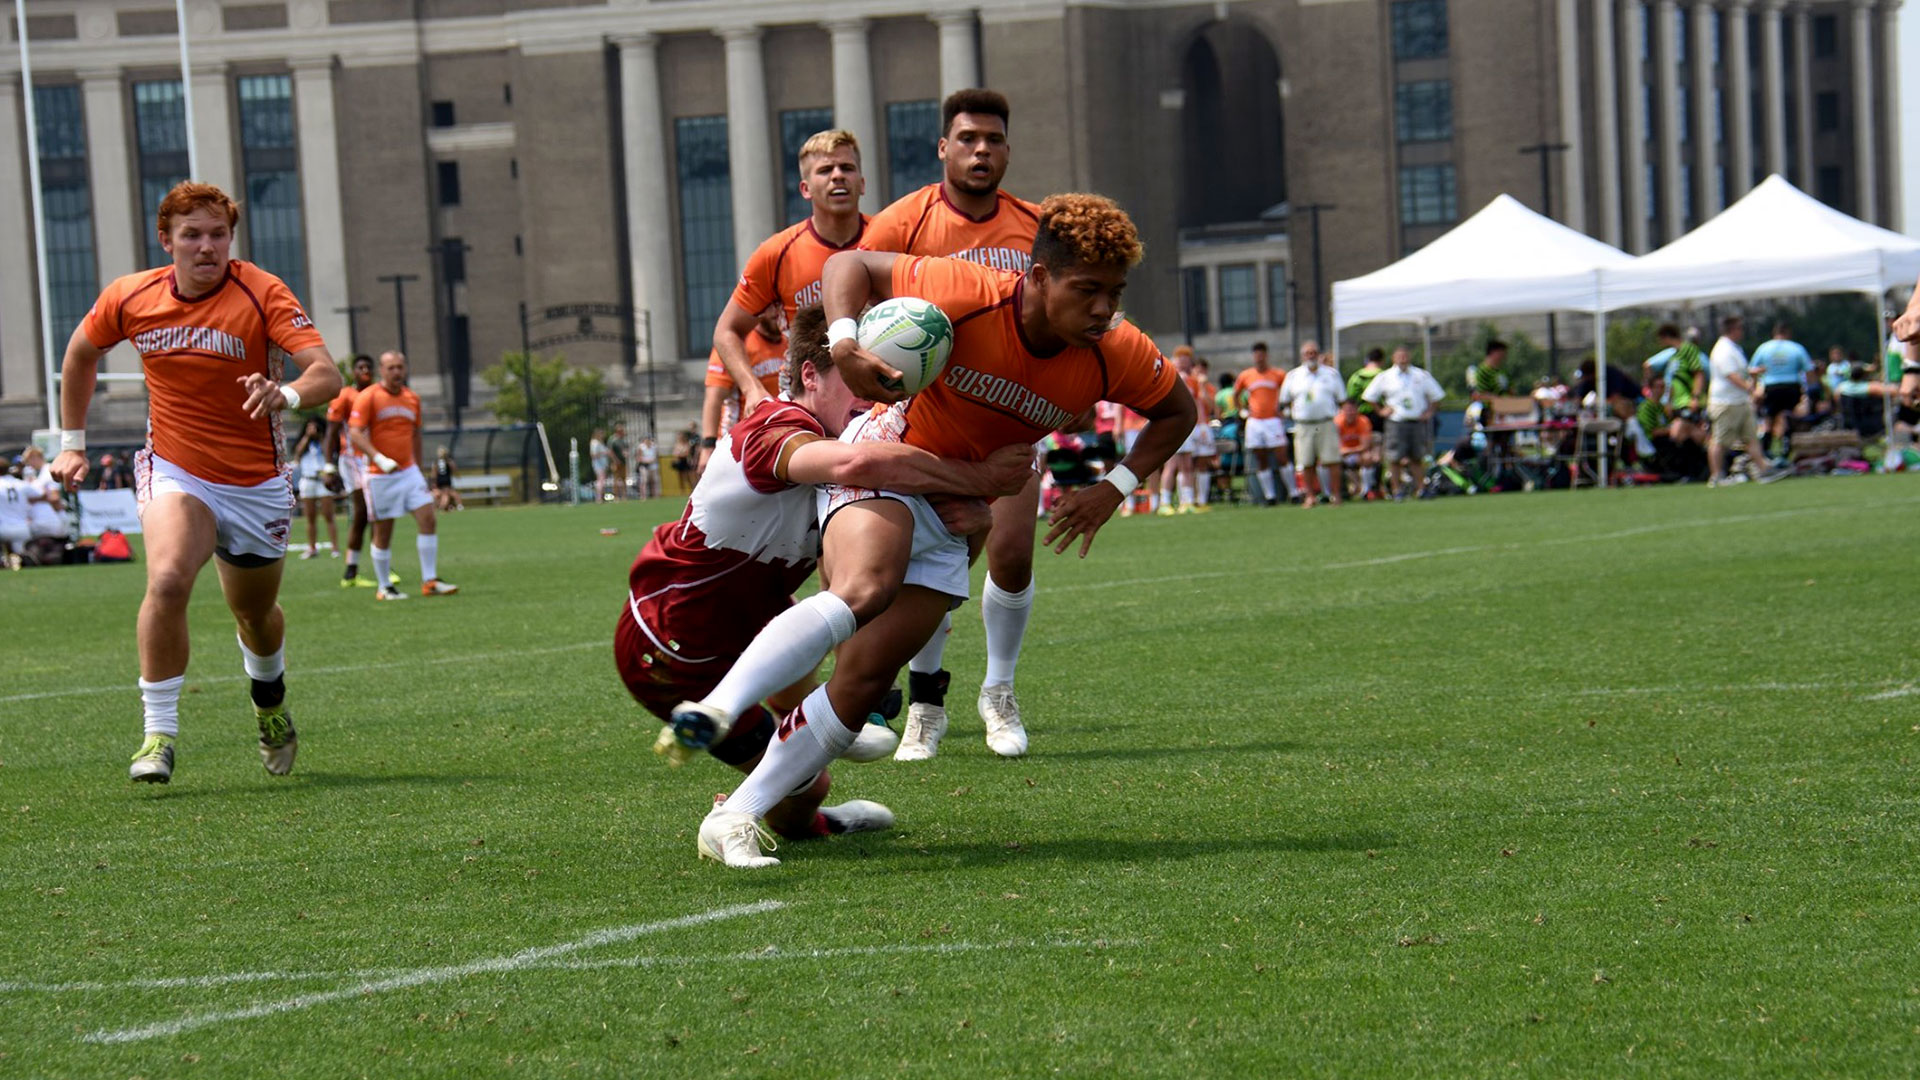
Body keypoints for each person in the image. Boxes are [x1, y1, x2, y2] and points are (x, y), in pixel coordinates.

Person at [678, 194, 1195, 867]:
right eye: (1088, 289)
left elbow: (1178, 411)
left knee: (862, 683)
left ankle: (737, 814)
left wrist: (1113, 488)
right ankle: (719, 706)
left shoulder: (1116, 351)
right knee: (868, 584)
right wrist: (844, 343)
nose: (1104, 308)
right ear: (1038, 276)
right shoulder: (969, 290)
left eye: (1115, 292)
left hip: (956, 515)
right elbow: (853, 265)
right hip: (893, 458)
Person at [616, 304, 1032, 847]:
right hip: (672, 640)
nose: (876, 394)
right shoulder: (781, 425)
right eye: (859, 376)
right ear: (810, 375)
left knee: (812, 718)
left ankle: (819, 754)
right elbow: (853, 467)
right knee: (804, 788)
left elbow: (923, 555)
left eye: (886, 381)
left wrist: (976, 515)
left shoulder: (860, 445)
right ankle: (809, 802)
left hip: (756, 617)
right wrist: (977, 476)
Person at [48, 180, 342, 783]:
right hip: (176, 467)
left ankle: (270, 704)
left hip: (255, 481)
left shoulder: (261, 292)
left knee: (255, 617)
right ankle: (158, 735)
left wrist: (283, 393)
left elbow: (326, 374)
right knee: (168, 576)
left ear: (230, 240)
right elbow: (80, 354)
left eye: (217, 234)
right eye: (192, 235)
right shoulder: (131, 296)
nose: (206, 247)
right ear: (167, 240)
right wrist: (71, 444)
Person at [858, 88, 1048, 760]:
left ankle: (999, 691)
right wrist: (846, 351)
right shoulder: (902, 222)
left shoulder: (1034, 228)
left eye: (993, 140)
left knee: (1014, 553)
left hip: (1010, 420)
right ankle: (926, 704)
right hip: (924, 424)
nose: (980, 150)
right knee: (931, 566)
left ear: (1006, 149)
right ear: (943, 146)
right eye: (967, 138)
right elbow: (850, 278)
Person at [348, 350, 457, 599]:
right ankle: (384, 586)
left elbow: (415, 434)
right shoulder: (369, 397)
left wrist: (418, 469)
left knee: (428, 518)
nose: (396, 372)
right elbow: (354, 432)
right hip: (380, 474)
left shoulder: (412, 398)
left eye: (400, 367)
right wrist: (378, 458)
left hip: (408, 472)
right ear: (382, 371)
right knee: (384, 531)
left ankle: (429, 580)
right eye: (391, 368)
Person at [700, 304, 786, 477]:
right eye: (773, 308)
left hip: (774, 439)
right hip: (737, 442)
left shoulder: (788, 342)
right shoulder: (736, 344)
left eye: (781, 307)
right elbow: (714, 399)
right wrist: (708, 446)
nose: (778, 313)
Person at [325, 354, 381, 588]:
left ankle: (382, 566)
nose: (365, 370)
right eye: (360, 367)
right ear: (354, 372)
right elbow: (331, 432)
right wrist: (328, 466)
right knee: (362, 513)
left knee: (379, 513)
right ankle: (351, 570)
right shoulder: (346, 395)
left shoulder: (380, 394)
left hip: (374, 459)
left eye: (369, 366)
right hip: (352, 460)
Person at [1362, 347, 1446, 500]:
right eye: (1399, 356)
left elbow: (1437, 395)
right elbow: (1369, 396)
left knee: (1417, 457)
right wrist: (1381, 411)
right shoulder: (1385, 376)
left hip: (1416, 421)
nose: (1402, 359)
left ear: (1409, 357)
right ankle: (1396, 491)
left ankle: (1420, 489)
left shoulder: (1420, 375)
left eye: (1405, 356)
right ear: (1393, 358)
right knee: (1394, 458)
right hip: (1396, 422)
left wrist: (1429, 412)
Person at [1705, 315, 1772, 486]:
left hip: (1740, 401)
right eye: (1739, 328)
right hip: (1726, 402)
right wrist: (1752, 389)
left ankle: (1763, 470)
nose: (1742, 331)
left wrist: (1753, 375)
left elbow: (1740, 372)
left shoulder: (1734, 348)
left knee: (1751, 437)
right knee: (1720, 440)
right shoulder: (1723, 350)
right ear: (1732, 330)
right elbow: (1731, 376)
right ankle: (1716, 476)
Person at [1278, 340, 1346, 507]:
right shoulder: (1294, 376)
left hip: (1325, 422)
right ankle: (1310, 496)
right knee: (1306, 461)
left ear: (1318, 354)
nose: (1311, 356)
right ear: (1303, 356)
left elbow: (1342, 398)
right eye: (1308, 353)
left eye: (1314, 352)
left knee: (1332, 460)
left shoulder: (1331, 374)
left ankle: (1335, 495)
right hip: (1304, 424)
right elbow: (1284, 400)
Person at [1234, 342, 1291, 505]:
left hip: (1272, 420)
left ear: (1266, 355)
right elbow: (1236, 394)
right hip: (1255, 421)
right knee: (1261, 457)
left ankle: (1294, 492)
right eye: (1256, 354)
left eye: (1262, 354)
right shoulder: (1246, 375)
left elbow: (1288, 392)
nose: (1259, 357)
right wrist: (1242, 411)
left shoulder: (1278, 374)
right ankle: (1269, 495)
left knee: (1281, 455)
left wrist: (1284, 409)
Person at [1158, 346, 1213, 514]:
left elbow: (1196, 404)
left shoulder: (1192, 380)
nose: (1183, 361)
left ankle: (1187, 501)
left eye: (1186, 358)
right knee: (1172, 464)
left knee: (1187, 464)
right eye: (1179, 358)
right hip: (1173, 424)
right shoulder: (1167, 376)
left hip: (1187, 426)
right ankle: (1165, 502)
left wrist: (1201, 425)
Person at [1749, 321, 1813, 464]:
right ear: (1788, 333)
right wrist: (1807, 391)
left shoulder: (1764, 348)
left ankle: (1766, 450)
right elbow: (1809, 370)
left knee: (1768, 420)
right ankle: (1786, 451)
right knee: (1788, 418)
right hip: (1791, 386)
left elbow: (1752, 369)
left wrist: (1754, 388)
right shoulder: (1796, 348)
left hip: (1771, 387)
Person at [1644, 323, 1707, 448]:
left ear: (1666, 337)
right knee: (1686, 436)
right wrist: (1669, 402)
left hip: (1687, 402)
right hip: (1677, 403)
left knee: (1678, 434)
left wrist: (1695, 397)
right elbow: (1673, 382)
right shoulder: (1675, 355)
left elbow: (1698, 374)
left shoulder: (1688, 349)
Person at [290, 416, 339, 559]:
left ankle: (335, 548)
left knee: (328, 515)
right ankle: (312, 548)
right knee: (310, 517)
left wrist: (321, 436)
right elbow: (297, 454)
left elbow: (328, 452)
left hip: (323, 480)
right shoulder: (304, 443)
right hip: (308, 480)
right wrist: (307, 436)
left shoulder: (325, 442)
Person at [1335, 398, 1379, 500]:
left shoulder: (1363, 421)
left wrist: (1349, 451)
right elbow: (1334, 445)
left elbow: (1365, 445)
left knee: (1368, 458)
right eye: (1347, 410)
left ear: (1357, 410)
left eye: (1352, 410)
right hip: (1342, 454)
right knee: (1326, 461)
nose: (1350, 413)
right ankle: (1333, 493)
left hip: (1357, 453)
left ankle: (1366, 491)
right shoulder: (1337, 422)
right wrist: (1343, 451)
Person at [1347, 348, 1387, 424]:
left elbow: (1351, 397)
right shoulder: (1384, 376)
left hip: (1360, 416)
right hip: (1381, 415)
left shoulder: (1356, 376)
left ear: (1368, 360)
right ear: (1382, 361)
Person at [432, 446, 463, 511]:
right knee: (450, 494)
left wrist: (434, 482)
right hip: (446, 480)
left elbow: (434, 472)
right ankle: (458, 506)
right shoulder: (448, 461)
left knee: (443, 494)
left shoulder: (436, 462)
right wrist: (457, 475)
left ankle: (445, 507)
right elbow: (454, 468)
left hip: (439, 480)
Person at [589, 428, 613, 501]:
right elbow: (593, 455)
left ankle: (601, 497)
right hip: (598, 464)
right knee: (600, 480)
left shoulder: (600, 443)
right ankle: (598, 498)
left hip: (602, 464)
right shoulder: (595, 443)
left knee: (602, 480)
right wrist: (604, 453)